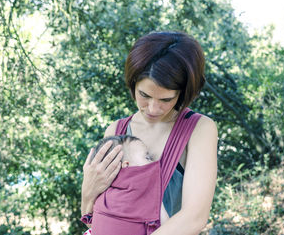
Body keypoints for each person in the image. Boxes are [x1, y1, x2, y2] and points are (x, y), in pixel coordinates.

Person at [81, 31, 218, 235]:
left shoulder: (199, 129)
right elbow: (94, 217)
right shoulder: (117, 131)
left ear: (183, 94)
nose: (153, 109)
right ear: (133, 83)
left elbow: (194, 217)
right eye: (144, 95)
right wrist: (88, 190)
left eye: (166, 100)